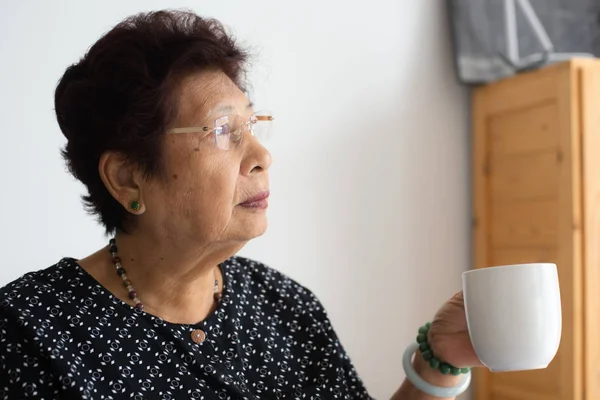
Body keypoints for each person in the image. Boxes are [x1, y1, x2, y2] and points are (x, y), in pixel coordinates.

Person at [0, 10, 483, 400]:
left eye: (252, 125)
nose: (261, 156)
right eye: (222, 131)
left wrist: (439, 359)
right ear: (127, 177)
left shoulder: (287, 309)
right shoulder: (30, 333)